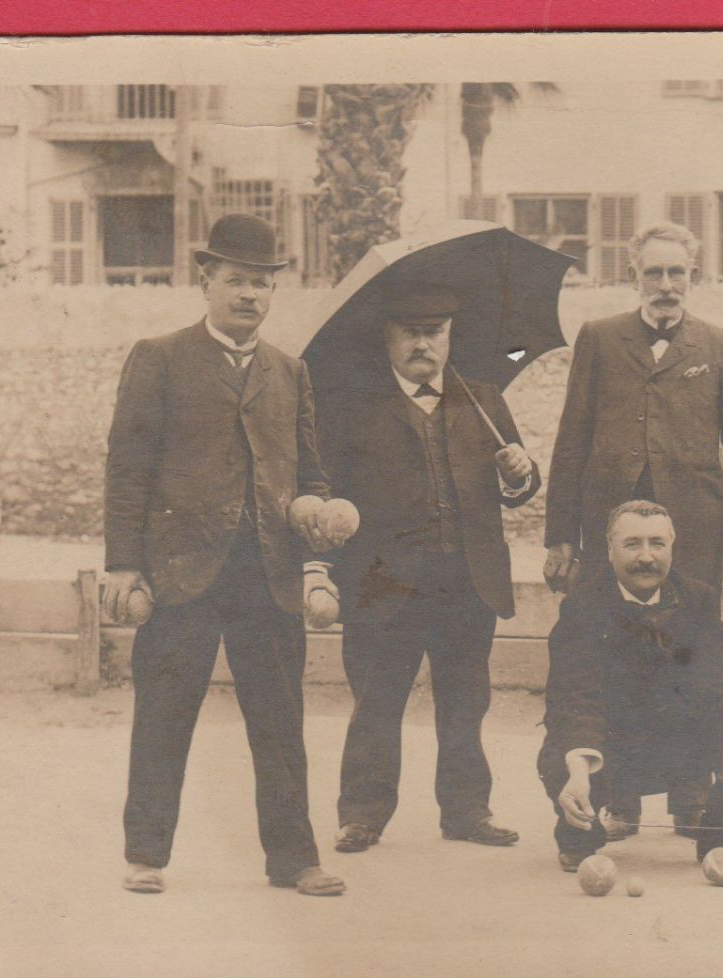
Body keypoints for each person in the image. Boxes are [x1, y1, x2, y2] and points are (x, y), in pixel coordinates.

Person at [102, 213, 345, 896]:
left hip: (267, 574)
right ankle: (146, 854)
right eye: (236, 280)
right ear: (205, 280)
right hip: (181, 572)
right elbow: (127, 467)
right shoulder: (159, 357)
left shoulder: (290, 372)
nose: (250, 295)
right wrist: (125, 563)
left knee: (280, 720)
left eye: (262, 284)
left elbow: (311, 476)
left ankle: (295, 859)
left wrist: (316, 526)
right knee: (165, 711)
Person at [543, 221, 723, 837]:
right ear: (635, 277)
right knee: (610, 657)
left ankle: (692, 797)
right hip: (610, 533)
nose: (667, 285)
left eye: (678, 273)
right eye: (655, 272)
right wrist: (561, 537)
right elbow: (570, 441)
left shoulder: (721, 345)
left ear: (693, 277)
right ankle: (619, 795)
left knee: (692, 659)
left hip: (692, 534)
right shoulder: (598, 339)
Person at [316, 280, 540, 854]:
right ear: (388, 337)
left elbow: (517, 485)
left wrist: (521, 473)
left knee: (466, 701)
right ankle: (362, 815)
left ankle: (466, 810)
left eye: (435, 333)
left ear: (450, 337)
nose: (424, 344)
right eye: (411, 333)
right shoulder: (352, 408)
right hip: (383, 583)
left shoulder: (483, 397)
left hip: (468, 580)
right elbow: (327, 491)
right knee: (377, 700)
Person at [536, 501, 723, 872]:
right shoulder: (583, 604)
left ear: (672, 546)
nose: (647, 557)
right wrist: (577, 773)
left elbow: (712, 690)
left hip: (677, 750)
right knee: (561, 747)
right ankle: (579, 835)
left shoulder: (697, 597)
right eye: (632, 544)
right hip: (612, 750)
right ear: (609, 549)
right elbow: (574, 696)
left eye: (657, 544)